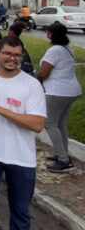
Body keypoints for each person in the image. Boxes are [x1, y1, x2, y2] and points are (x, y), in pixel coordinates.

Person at [0, 37, 46, 230]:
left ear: (22, 56)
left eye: (17, 55)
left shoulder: (32, 85)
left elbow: (37, 124)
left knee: (20, 213)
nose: (12, 58)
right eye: (7, 53)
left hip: (21, 158)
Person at [36, 22, 82, 173]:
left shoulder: (54, 50)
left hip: (57, 92)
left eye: (48, 31)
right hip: (71, 90)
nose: (47, 34)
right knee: (60, 123)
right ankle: (63, 154)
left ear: (51, 34)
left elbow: (44, 73)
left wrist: (36, 80)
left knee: (49, 123)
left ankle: (64, 160)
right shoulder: (67, 48)